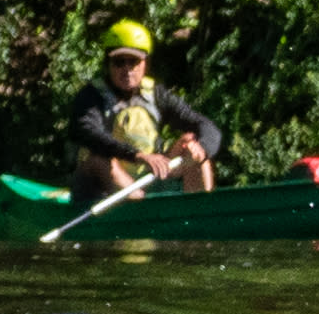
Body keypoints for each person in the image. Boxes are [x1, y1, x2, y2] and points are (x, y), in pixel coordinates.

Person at [65, 22, 221, 199]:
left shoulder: (157, 94)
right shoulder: (91, 96)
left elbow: (205, 125)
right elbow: (89, 133)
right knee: (96, 159)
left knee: (193, 145)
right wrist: (138, 155)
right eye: (119, 62)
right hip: (108, 189)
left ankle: (198, 215)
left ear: (144, 63)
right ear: (107, 64)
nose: (127, 69)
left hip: (148, 178)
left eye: (133, 61)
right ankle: (139, 206)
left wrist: (202, 149)